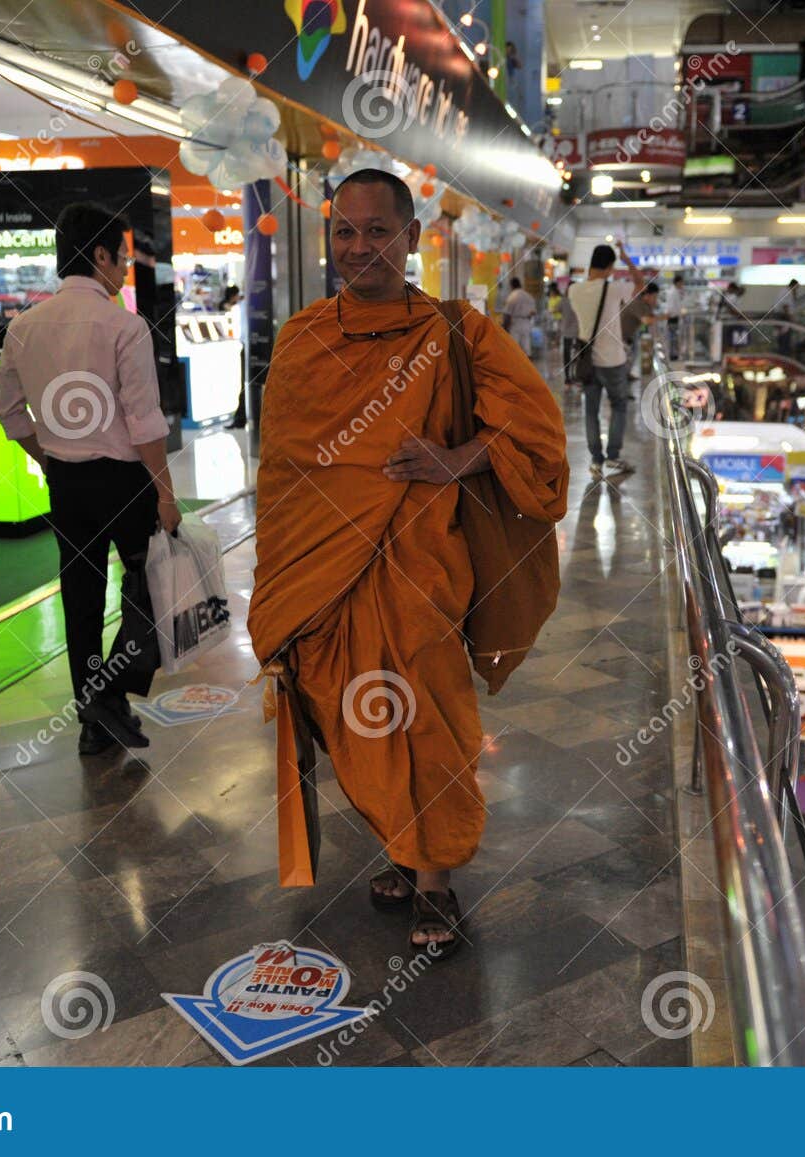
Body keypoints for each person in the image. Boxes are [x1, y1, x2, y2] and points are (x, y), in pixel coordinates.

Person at [247, 168, 568, 955]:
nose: (361, 248)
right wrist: (283, 580)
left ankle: (436, 882)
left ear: (413, 237)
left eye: (377, 231)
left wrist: (456, 458)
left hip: (421, 573)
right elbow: (285, 474)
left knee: (426, 719)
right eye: (345, 232)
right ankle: (401, 847)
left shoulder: (458, 334)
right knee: (352, 718)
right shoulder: (302, 339)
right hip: (325, 580)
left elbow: (539, 440)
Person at [0, 202, 178, 756]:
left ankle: (94, 718)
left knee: (80, 597)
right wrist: (166, 492)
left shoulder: (23, 327)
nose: (125, 269)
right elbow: (144, 420)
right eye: (121, 258)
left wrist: (49, 458)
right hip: (126, 480)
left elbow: (9, 413)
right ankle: (113, 691)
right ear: (99, 255)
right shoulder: (124, 325)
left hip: (67, 485)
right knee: (146, 590)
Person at [569, 240, 643, 478]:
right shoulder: (615, 288)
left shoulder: (573, 290)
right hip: (613, 360)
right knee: (619, 406)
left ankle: (596, 461)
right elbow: (641, 284)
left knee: (591, 411)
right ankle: (613, 456)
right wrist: (627, 258)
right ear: (610, 266)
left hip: (587, 362)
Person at [620, 281, 660, 380]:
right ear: (646, 295)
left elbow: (650, 319)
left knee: (632, 354)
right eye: (654, 297)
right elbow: (646, 321)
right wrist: (665, 317)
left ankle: (626, 375)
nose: (655, 299)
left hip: (629, 336)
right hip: (621, 337)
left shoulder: (644, 304)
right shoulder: (636, 303)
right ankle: (623, 381)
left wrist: (653, 306)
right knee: (625, 358)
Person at [501, 276, 537, 357]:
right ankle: (527, 367)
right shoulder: (529, 296)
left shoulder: (512, 297)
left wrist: (505, 327)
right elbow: (533, 312)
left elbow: (507, 314)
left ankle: (516, 367)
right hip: (527, 322)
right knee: (526, 347)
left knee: (514, 348)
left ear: (511, 285)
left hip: (515, 323)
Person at [558, 281, 582, 391]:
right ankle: (575, 376)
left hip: (567, 332)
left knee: (566, 355)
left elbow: (556, 309)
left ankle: (567, 377)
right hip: (578, 332)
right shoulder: (580, 300)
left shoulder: (563, 300)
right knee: (577, 355)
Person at [659, 273, 686, 359]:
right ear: (678, 282)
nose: (682, 285)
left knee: (674, 337)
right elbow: (671, 308)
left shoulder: (675, 292)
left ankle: (674, 354)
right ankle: (673, 355)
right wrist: (679, 312)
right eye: (682, 283)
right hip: (672, 317)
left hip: (674, 317)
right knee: (673, 337)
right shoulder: (672, 292)